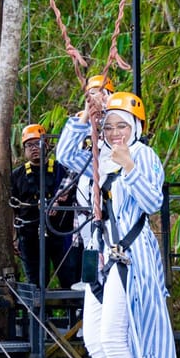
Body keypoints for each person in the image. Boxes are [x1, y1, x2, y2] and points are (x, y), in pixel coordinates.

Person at [56, 91, 178, 358]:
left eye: (122, 125)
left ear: (136, 127)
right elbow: (65, 156)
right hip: (99, 256)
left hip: (129, 256)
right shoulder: (98, 155)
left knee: (112, 336)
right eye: (109, 126)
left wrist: (129, 166)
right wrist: (86, 114)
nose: (115, 132)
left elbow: (153, 201)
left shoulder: (142, 155)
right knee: (93, 338)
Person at [10, 123, 80, 288]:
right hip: (29, 236)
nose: (34, 148)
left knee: (69, 279)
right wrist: (14, 238)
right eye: (29, 145)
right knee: (35, 283)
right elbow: (13, 209)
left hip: (60, 234)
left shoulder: (61, 171)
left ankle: (74, 311)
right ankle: (37, 312)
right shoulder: (17, 175)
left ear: (46, 145)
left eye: (38, 143)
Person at [74, 75, 114, 254]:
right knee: (91, 255)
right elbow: (68, 154)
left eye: (100, 93)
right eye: (92, 94)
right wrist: (86, 115)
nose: (97, 99)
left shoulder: (115, 126)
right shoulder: (84, 126)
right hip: (84, 212)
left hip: (108, 212)